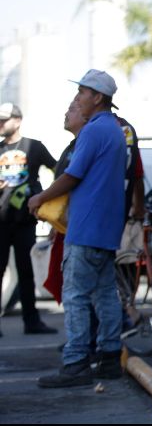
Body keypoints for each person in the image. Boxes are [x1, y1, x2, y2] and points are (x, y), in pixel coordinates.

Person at [29, 69, 126, 388]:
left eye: (82, 93)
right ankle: (110, 357)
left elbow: (72, 175)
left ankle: (76, 363)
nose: (78, 98)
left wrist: (40, 197)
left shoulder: (94, 130)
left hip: (86, 228)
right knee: (104, 295)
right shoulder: (113, 129)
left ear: (98, 98)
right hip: (105, 228)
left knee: (77, 297)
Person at [0, 102, 58, 337]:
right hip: (1, 222)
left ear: (18, 120)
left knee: (26, 271)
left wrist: (47, 199)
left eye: (5, 119)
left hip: (25, 220)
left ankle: (32, 322)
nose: (1, 124)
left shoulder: (33, 147)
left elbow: (60, 170)